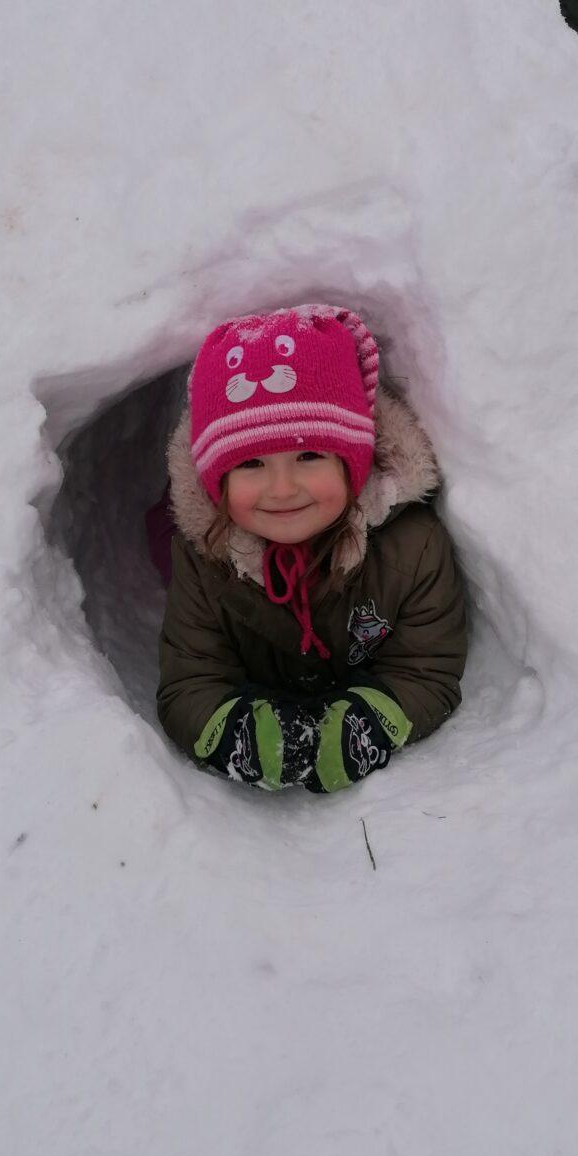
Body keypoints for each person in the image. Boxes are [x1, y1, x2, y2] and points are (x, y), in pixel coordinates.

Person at [156, 305, 467, 794]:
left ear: (354, 462)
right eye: (252, 463)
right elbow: (189, 681)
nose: (282, 489)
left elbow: (425, 668)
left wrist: (373, 720)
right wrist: (236, 731)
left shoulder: (411, 549)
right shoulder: (205, 559)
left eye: (308, 455)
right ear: (218, 480)